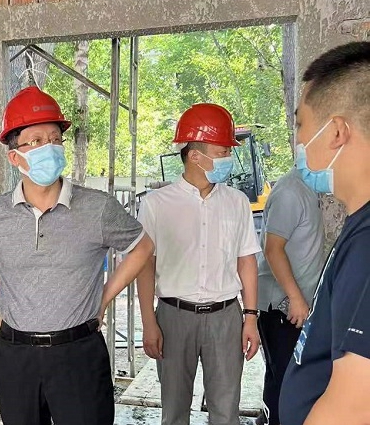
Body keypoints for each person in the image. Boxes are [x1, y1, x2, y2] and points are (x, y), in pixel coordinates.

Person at [0, 86, 154, 425]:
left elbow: (143, 247)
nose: (48, 147)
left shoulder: (97, 207)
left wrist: (104, 298)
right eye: (35, 141)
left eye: (54, 138)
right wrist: (2, 292)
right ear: (14, 157)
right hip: (16, 355)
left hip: (78, 353)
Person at [136, 103, 261, 425]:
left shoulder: (236, 202)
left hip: (225, 317)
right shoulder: (156, 205)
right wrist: (149, 322)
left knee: (226, 411)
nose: (227, 159)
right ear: (195, 156)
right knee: (174, 410)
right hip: (174, 317)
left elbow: (246, 260)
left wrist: (250, 317)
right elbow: (144, 267)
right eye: (222, 152)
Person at [280, 41, 370, 425]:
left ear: (335, 132)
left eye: (301, 124)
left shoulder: (367, 245)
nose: (299, 141)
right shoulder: (358, 225)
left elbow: (354, 407)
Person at [255, 167, 324, 425]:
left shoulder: (312, 188)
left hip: (299, 307)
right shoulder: (291, 192)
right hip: (283, 308)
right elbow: (272, 249)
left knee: (287, 380)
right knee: (286, 383)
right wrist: (295, 298)